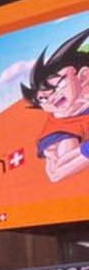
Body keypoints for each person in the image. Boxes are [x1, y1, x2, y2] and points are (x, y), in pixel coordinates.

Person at [20, 28, 89, 181]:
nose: (49, 99)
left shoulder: (83, 101)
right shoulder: (62, 132)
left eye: (54, 88)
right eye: (42, 99)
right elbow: (56, 172)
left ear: (84, 76)